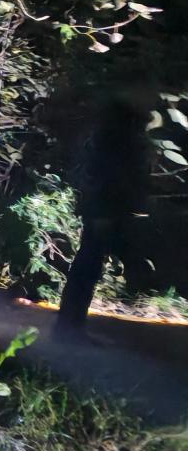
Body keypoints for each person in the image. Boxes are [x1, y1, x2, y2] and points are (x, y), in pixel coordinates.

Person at [57, 87, 152, 340]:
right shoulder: (115, 134)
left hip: (105, 207)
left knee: (89, 264)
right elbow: (108, 173)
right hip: (103, 208)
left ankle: (71, 327)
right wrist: (104, 207)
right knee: (88, 264)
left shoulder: (115, 132)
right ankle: (69, 329)